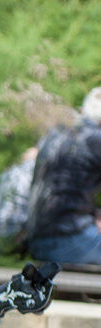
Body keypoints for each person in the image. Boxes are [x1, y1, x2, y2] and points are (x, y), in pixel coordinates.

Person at [23, 86, 101, 267]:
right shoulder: (96, 139)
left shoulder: (56, 134)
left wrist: (93, 214)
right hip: (71, 241)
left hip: (38, 240)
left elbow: (62, 191)